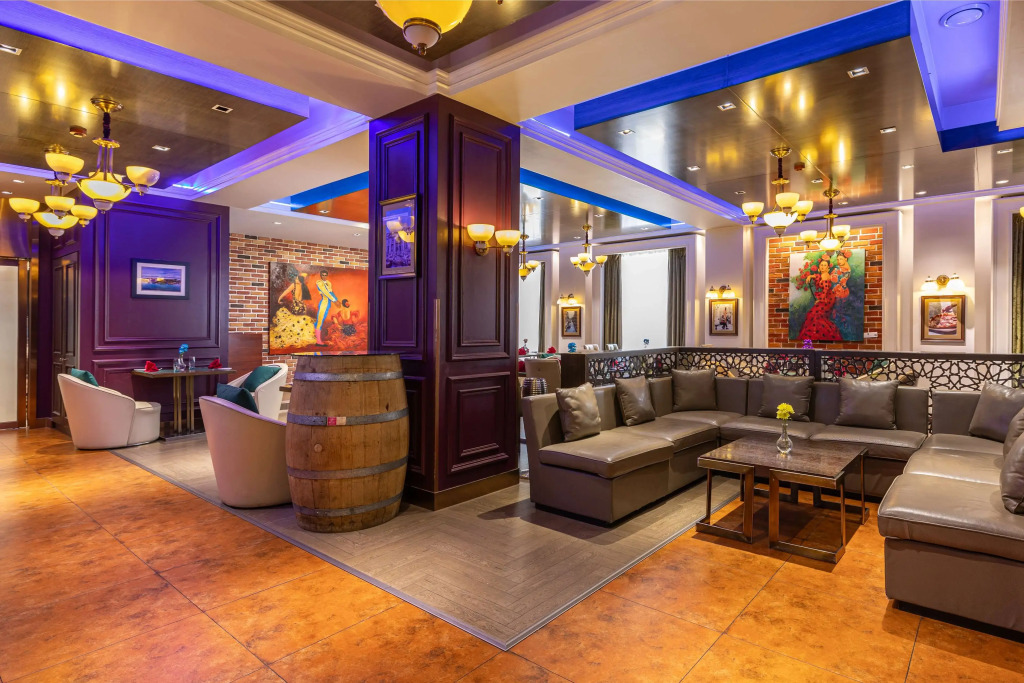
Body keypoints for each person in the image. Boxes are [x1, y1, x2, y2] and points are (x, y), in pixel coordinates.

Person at [314, 268, 338, 346]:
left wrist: (337, 300)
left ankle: (317, 339)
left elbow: (331, 292)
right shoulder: (319, 283)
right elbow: (326, 292)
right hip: (323, 304)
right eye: (322, 275)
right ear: (320, 276)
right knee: (320, 321)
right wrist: (334, 301)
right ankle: (318, 341)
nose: (324, 276)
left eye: (325, 275)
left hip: (328, 304)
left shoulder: (328, 282)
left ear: (327, 275)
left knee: (321, 320)